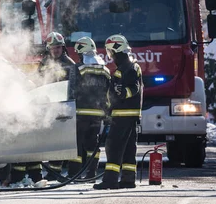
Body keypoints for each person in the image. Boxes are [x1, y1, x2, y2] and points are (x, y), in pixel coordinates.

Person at [8, 32, 76, 184]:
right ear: (48, 48)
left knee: (58, 140)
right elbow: (38, 81)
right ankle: (37, 174)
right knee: (43, 139)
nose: (56, 50)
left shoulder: (69, 63)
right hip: (46, 106)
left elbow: (73, 86)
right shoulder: (45, 62)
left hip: (61, 106)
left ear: (62, 48)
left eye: (58, 47)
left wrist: (68, 102)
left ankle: (55, 173)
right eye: (53, 48)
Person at [94, 34, 143, 190]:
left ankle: (110, 180)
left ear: (116, 50)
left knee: (113, 146)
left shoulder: (128, 68)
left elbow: (134, 87)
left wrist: (123, 93)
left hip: (123, 114)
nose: (111, 56)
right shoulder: (128, 67)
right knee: (128, 147)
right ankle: (128, 180)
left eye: (110, 52)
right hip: (128, 114)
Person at [67, 37, 110, 181]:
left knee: (77, 145)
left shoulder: (78, 68)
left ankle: (74, 174)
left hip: (80, 113)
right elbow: (109, 93)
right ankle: (92, 173)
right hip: (97, 114)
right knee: (93, 144)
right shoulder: (105, 69)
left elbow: (72, 92)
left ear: (80, 52)